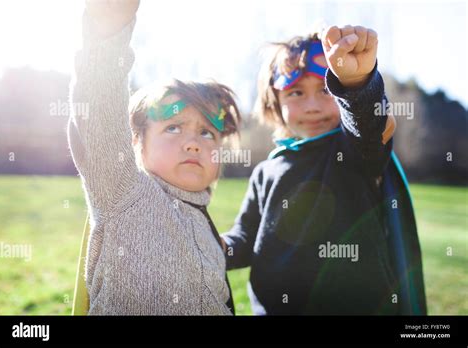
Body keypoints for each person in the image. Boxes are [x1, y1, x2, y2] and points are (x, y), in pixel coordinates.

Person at [222, 25, 426, 315]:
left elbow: (368, 125)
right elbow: (244, 239)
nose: (313, 106)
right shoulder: (265, 172)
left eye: (326, 90)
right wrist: (215, 246)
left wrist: (356, 84)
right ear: (274, 103)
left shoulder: (354, 150)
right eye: (295, 92)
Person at [69, 0, 240, 315]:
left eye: (207, 133)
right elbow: (99, 119)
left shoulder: (205, 224)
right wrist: (108, 34)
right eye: (174, 128)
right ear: (136, 142)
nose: (193, 144)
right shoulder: (124, 192)